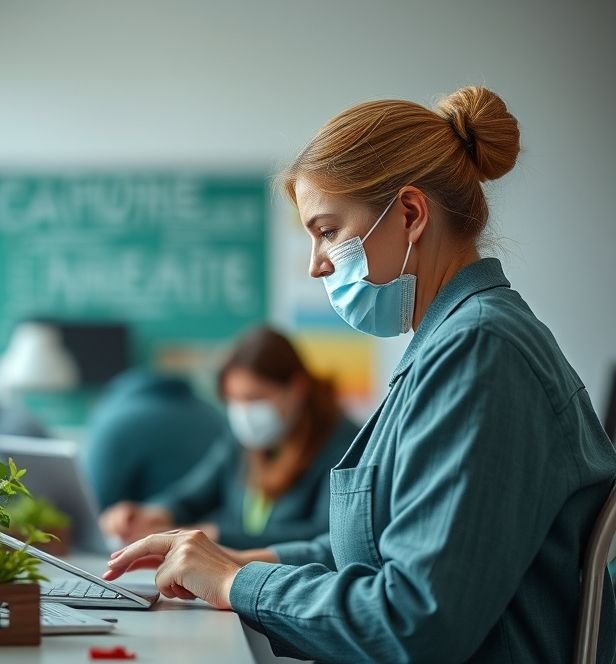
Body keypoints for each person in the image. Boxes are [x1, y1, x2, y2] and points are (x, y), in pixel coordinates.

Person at [102, 87, 616, 663]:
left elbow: (415, 619)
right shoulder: (453, 342)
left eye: (327, 231)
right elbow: (380, 549)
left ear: (411, 214)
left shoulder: (479, 349)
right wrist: (239, 563)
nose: (315, 264)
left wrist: (235, 583)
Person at [100, 326, 359, 550]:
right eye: (233, 399)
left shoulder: (345, 445)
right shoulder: (240, 441)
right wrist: (151, 513)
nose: (243, 412)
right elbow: (193, 496)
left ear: (297, 387)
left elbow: (325, 537)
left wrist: (217, 537)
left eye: (254, 398)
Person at [84, 368, 229, 510]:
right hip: (188, 518)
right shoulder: (213, 414)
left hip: (145, 520)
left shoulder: (115, 421)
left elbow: (94, 502)